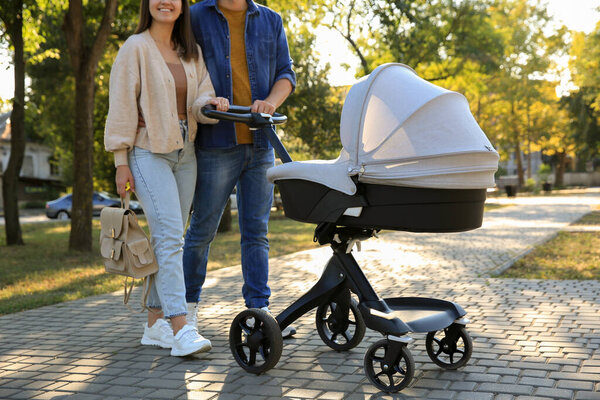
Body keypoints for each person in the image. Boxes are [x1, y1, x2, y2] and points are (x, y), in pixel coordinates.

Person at [104, 0, 229, 356]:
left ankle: (154, 325)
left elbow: (200, 93)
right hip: (147, 152)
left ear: (181, 6)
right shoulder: (135, 47)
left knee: (169, 237)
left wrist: (212, 103)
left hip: (185, 153)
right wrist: (120, 161)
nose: (166, 2)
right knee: (172, 235)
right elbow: (122, 105)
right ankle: (180, 325)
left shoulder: (190, 51)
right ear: (148, 5)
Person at [183, 0, 296, 336]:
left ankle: (258, 314)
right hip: (216, 143)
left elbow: (286, 74)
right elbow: (182, 66)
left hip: (263, 143)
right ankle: (185, 313)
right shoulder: (194, 17)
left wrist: (270, 103)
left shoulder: (271, 20)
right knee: (202, 232)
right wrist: (206, 100)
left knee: (256, 234)